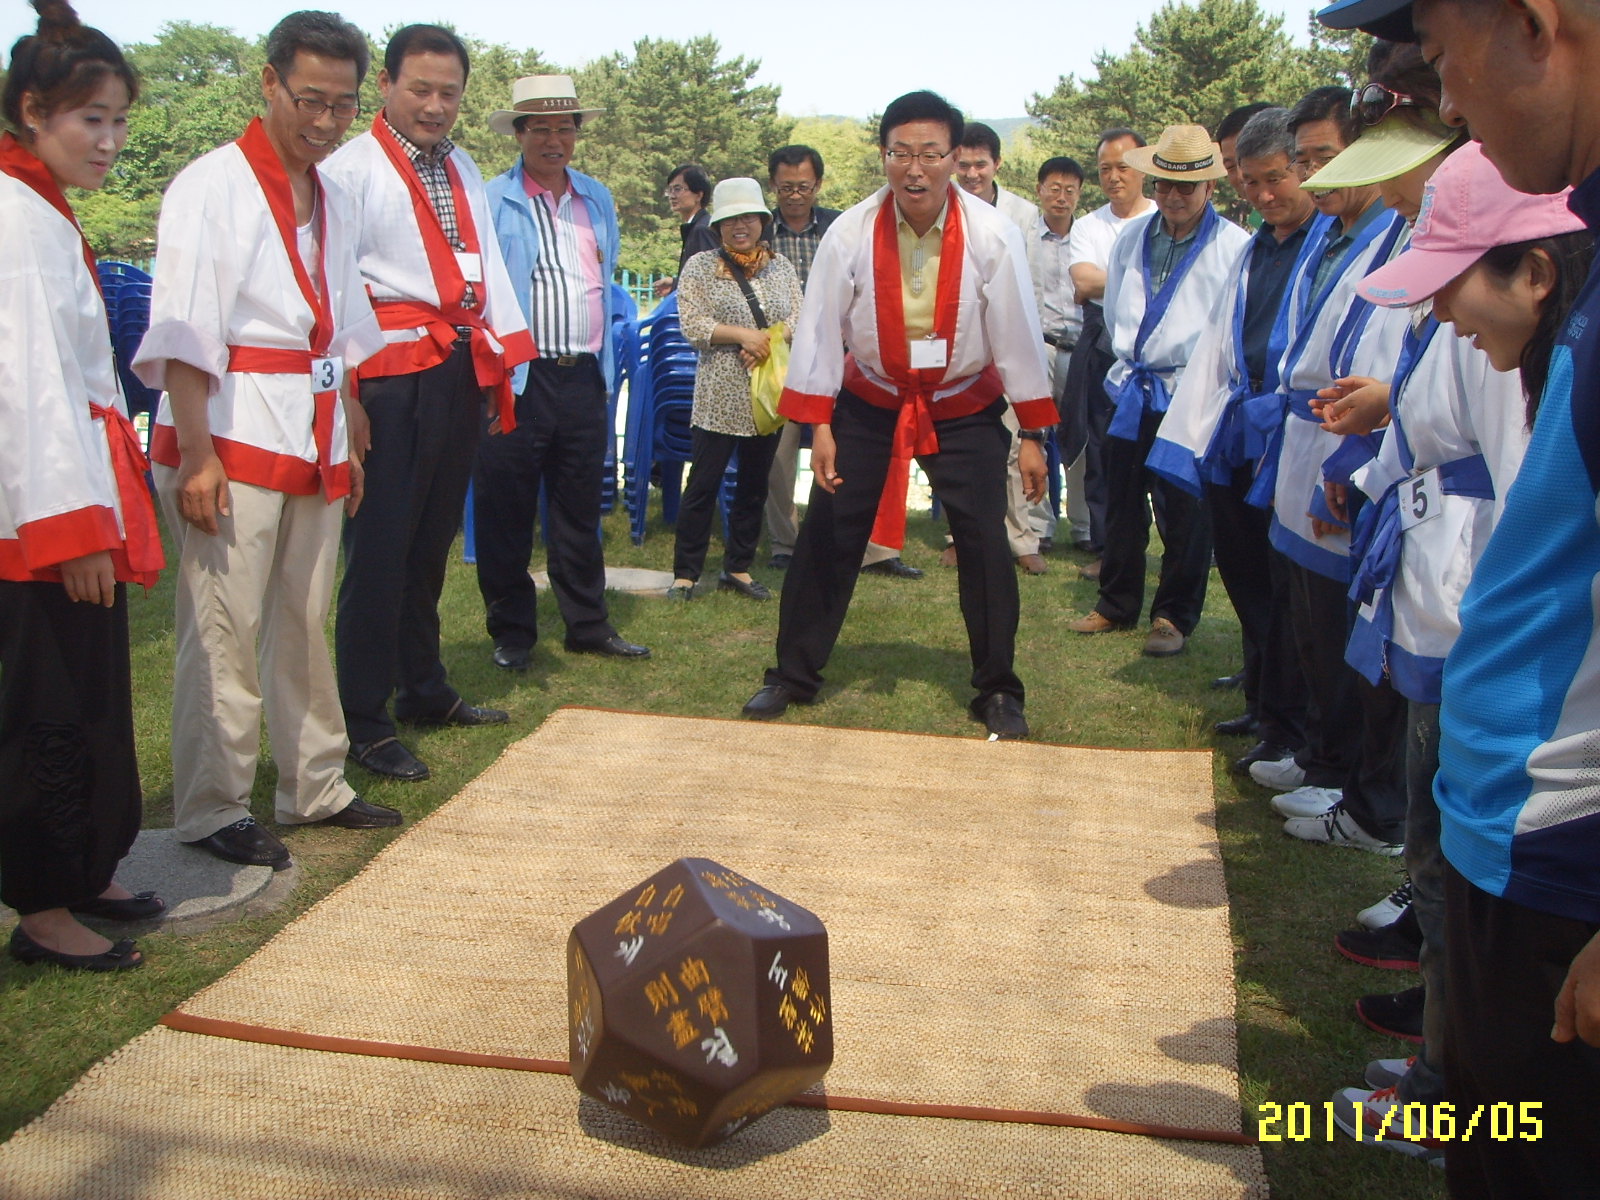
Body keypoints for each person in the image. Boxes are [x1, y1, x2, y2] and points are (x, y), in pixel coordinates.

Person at [1313, 0, 1600, 1191]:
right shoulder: (1567, 315)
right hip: (1512, 828)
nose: (1451, 108)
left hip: (1555, 850)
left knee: (1525, 1157)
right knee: (1494, 1141)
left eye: (1439, 65)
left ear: (1537, 25)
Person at [135, 10, 401, 872]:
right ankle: (212, 802)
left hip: (316, 418)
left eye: (343, 107)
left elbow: (343, 318)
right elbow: (183, 326)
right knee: (222, 622)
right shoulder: (210, 185)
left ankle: (314, 781)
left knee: (302, 613)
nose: (324, 123)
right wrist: (198, 451)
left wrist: (352, 414)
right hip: (234, 424)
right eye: (309, 101)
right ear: (270, 84)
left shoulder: (335, 192)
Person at [740, 90, 1054, 739]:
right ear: (884, 156)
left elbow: (1018, 333)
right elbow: (823, 329)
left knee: (984, 542)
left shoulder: (994, 234)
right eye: (901, 153)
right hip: (870, 399)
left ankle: (998, 688)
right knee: (829, 531)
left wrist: (1029, 433)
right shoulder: (851, 232)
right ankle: (791, 674)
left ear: (955, 158)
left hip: (962, 403)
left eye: (931, 154)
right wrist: (820, 424)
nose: (916, 169)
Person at [322, 25, 534, 784]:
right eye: (421, 89)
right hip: (387, 373)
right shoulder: (348, 169)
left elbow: (486, 270)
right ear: (385, 85)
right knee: (379, 549)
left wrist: (498, 364)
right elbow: (333, 281)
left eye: (449, 92)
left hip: (453, 364)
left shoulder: (464, 165)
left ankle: (423, 687)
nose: (436, 106)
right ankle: (364, 717)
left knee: (431, 541)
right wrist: (347, 394)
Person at [1, 0, 164, 971]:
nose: (106, 142)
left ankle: (90, 863)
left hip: (84, 485)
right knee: (49, 710)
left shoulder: (45, 210)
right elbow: (26, 390)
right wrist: (75, 530)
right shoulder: (17, 221)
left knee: (97, 690)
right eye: (88, 119)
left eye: (116, 121)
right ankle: (42, 904)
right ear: (31, 112)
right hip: (43, 511)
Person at [1241, 86, 1412, 863]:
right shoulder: (1333, 235)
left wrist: (1349, 456)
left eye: (1322, 158)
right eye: (1304, 160)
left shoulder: (1394, 234)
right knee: (1303, 614)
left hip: (1351, 439)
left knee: (1343, 625)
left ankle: (1348, 775)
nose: (1311, 175)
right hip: (1307, 430)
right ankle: (1322, 754)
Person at [1149, 107, 1315, 770]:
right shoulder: (1256, 246)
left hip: (1291, 431)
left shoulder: (1326, 241)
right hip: (1237, 431)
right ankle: (1264, 701)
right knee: (1247, 577)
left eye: (1276, 179)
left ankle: (1292, 726)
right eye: (1250, 183)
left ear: (1302, 168)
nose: (1264, 195)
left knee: (1289, 588)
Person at [475, 75, 650, 667]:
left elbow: (602, 278)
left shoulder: (596, 198)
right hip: (519, 376)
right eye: (540, 127)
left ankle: (588, 624)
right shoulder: (492, 199)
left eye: (565, 127)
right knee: (508, 507)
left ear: (577, 134)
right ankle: (513, 633)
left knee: (579, 506)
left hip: (583, 376)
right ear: (519, 134)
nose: (554, 139)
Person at [1065, 123, 1250, 657]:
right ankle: (1116, 602)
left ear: (1209, 188)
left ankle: (1172, 615)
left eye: (1185, 187)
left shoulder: (1233, 247)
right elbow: (1117, 302)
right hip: (1131, 388)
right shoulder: (1131, 238)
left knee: (1186, 512)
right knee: (1121, 501)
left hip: (1191, 393)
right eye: (1165, 185)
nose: (1173, 196)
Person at [762, 144, 919, 580]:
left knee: (868, 453)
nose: (795, 195)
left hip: (848, 360)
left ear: (819, 185)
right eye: (785, 187)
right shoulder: (759, 232)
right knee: (780, 455)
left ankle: (873, 548)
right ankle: (786, 542)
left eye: (804, 186)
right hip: (779, 361)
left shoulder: (845, 228)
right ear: (772, 186)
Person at [669, 178, 803, 601]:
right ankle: (686, 573)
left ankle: (739, 567)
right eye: (731, 219)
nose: (740, 225)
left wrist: (766, 339)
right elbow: (693, 325)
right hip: (719, 395)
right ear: (719, 225)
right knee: (703, 483)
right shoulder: (701, 266)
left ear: (763, 220)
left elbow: (801, 317)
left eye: (749, 217)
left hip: (768, 394)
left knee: (754, 483)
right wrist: (742, 335)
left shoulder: (781, 266)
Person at [949, 120, 1049, 576]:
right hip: (962, 348)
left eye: (980, 164)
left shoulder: (1023, 215)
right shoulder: (940, 209)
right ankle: (960, 535)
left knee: (1014, 444)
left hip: (1010, 342)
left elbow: (1030, 287)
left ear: (997, 164)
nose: (972, 174)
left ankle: (1022, 537)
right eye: (963, 165)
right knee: (964, 448)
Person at [1064, 129, 1155, 578]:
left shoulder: (1162, 217)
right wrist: (1142, 279)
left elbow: (1101, 284)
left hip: (1159, 347)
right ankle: (1107, 547)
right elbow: (1083, 281)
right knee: (1104, 452)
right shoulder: (1088, 226)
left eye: (1123, 167)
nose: (1114, 177)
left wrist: (1112, 281)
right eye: (1105, 169)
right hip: (1103, 343)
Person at [1029, 156, 1090, 557]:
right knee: (1033, 434)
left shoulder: (1089, 238)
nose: (1061, 197)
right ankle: (1038, 526)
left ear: (1079, 195)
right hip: (1039, 346)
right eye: (1054, 188)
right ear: (1040, 190)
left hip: (1082, 348)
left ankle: (1083, 526)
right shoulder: (1023, 236)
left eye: (1070, 190)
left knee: (1082, 439)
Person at [653, 163, 716, 297]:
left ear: (698, 195)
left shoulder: (702, 229)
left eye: (678, 189)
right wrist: (675, 284)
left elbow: (709, 280)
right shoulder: (694, 226)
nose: (672, 196)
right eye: (669, 190)